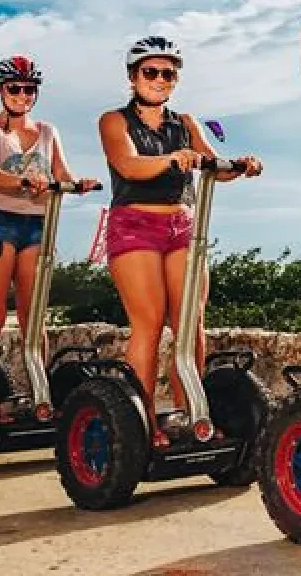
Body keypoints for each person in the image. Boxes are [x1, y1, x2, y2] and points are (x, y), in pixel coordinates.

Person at [97, 36, 262, 447]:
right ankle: (143, 421)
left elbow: (210, 165)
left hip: (183, 226)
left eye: (167, 73)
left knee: (190, 324)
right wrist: (172, 159)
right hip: (135, 224)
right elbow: (128, 165)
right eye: (150, 72)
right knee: (149, 325)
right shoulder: (114, 121)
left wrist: (240, 164)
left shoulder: (184, 123)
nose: (159, 79)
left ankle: (195, 414)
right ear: (134, 77)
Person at [0, 56, 96, 413]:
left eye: (29, 89)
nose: (23, 95)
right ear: (1, 90)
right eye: (15, 89)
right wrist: (25, 180)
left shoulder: (48, 132)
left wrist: (78, 184)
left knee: (33, 315)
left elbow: (61, 173)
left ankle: (41, 393)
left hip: (38, 224)